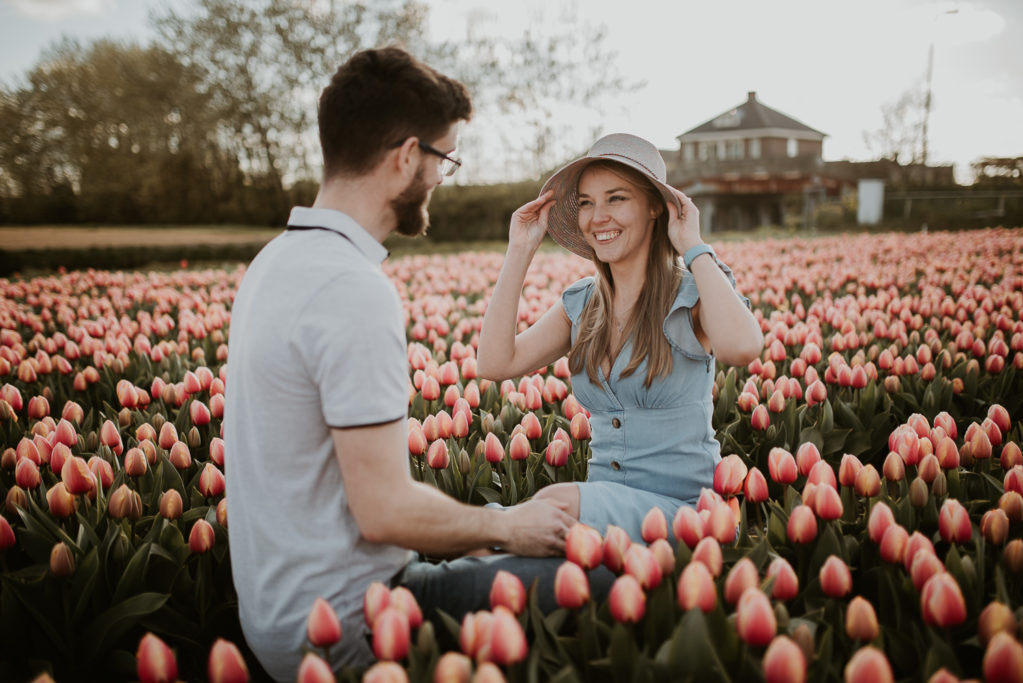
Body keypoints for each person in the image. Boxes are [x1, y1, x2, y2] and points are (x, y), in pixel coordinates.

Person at [224, 47, 591, 680]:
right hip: (350, 622)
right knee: (601, 586)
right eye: (445, 159)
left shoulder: (274, 264)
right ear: (404, 157)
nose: (444, 178)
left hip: (274, 614)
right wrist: (510, 526)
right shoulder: (348, 289)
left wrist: (484, 530)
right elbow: (385, 511)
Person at [477, 133, 763, 543]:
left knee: (548, 507)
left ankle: (470, 534)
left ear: (653, 207)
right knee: (506, 556)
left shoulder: (694, 294)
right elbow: (494, 364)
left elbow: (744, 347)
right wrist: (520, 250)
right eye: (588, 203)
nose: (598, 217)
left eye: (616, 199)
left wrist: (693, 246)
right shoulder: (583, 304)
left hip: (686, 516)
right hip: (598, 516)